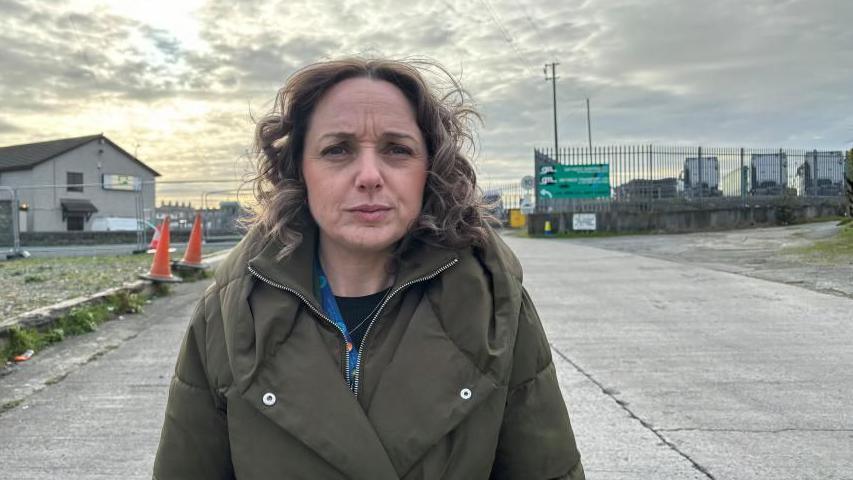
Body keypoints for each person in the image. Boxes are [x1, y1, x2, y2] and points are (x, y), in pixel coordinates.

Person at [153, 57, 584, 480]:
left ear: (429, 169)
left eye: (397, 150)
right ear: (299, 170)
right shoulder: (228, 313)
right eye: (337, 149)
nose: (369, 175)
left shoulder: (495, 305)